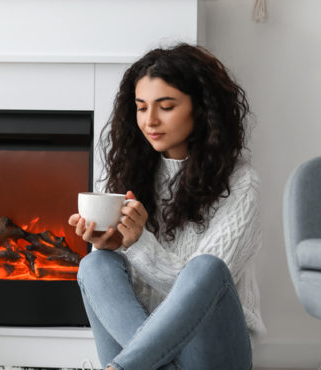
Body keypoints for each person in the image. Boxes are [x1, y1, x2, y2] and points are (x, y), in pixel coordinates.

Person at [68, 43, 266, 370]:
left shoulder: (241, 184)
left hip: (213, 349)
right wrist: (112, 245)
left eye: (166, 106)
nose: (150, 120)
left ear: (200, 109)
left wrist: (138, 243)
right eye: (141, 107)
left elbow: (202, 294)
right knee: (96, 266)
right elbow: (114, 291)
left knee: (206, 267)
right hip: (148, 350)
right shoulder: (128, 173)